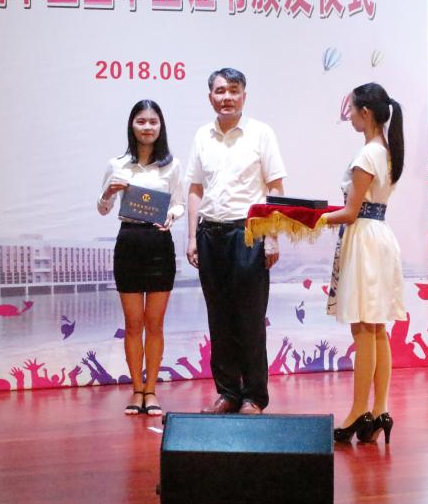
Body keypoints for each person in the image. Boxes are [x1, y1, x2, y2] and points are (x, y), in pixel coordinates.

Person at [186, 68, 286, 416]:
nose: (226, 97)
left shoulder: (261, 133)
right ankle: (227, 392)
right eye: (219, 91)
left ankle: (254, 396)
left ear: (244, 95)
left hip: (249, 233)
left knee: (250, 317)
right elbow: (195, 188)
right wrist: (192, 237)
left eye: (233, 90)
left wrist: (272, 237)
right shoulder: (202, 136)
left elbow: (275, 188)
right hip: (210, 235)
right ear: (210, 97)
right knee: (219, 318)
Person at [321, 83, 406, 444]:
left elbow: (350, 212)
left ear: (365, 113)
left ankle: (359, 410)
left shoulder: (368, 154)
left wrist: (309, 219)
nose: (351, 117)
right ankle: (380, 409)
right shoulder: (386, 150)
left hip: (365, 240)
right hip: (379, 237)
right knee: (377, 328)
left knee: (364, 328)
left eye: (353, 110)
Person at [97, 100, 184, 417]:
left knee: (155, 324)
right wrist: (109, 192)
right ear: (132, 125)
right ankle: (136, 390)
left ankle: (151, 391)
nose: (147, 127)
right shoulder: (117, 164)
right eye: (141, 121)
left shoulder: (172, 165)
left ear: (161, 127)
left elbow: (179, 203)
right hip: (129, 242)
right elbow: (103, 208)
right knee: (133, 324)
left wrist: (171, 216)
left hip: (159, 243)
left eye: (153, 122)